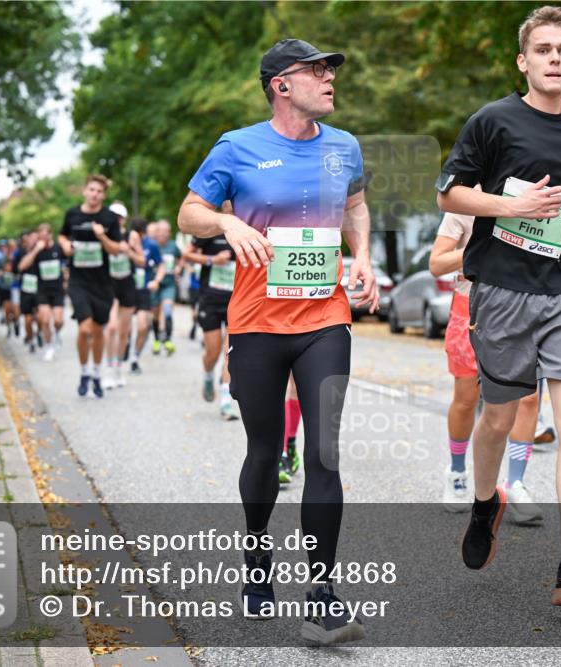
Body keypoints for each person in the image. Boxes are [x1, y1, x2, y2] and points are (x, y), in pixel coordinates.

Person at [178, 38, 376, 645]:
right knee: (265, 452)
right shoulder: (237, 147)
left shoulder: (345, 147)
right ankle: (257, 563)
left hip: (325, 318)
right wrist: (226, 220)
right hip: (258, 322)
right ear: (280, 84)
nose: (329, 78)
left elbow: (357, 204)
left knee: (324, 453)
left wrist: (362, 254)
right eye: (317, 70)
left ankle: (322, 591)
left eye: (330, 70)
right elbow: (189, 213)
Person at [437, 6, 561, 606]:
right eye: (543, 50)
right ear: (524, 60)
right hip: (504, 289)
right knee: (498, 416)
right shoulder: (493, 121)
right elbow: (450, 191)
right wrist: (509, 209)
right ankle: (486, 505)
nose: (555, 59)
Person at [430, 209, 543, 524]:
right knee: (467, 399)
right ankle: (456, 470)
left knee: (529, 397)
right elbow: (436, 263)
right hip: (471, 308)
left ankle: (515, 482)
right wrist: (479, 248)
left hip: (523, 305)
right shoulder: (464, 206)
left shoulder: (529, 197)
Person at [58, 174, 122, 398]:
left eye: (99, 191)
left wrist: (102, 236)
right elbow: (62, 236)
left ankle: (96, 373)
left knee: (97, 331)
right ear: (85, 191)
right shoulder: (72, 214)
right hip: (78, 281)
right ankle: (84, 371)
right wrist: (66, 246)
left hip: (102, 283)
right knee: (84, 329)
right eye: (91, 190)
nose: (95, 194)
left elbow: (116, 249)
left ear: (103, 195)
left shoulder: (109, 218)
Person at [184, 207, 239, 421]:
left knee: (230, 353)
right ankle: (208, 375)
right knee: (213, 351)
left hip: (236, 301)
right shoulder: (209, 230)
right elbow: (187, 254)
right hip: (210, 298)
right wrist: (211, 260)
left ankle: (225, 401)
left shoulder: (247, 229)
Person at [104, 202, 139, 387]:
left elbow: (142, 261)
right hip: (110, 285)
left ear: (123, 219)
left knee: (124, 330)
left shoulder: (131, 236)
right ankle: (109, 369)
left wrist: (130, 252)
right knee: (111, 327)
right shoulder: (104, 236)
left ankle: (118, 368)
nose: (116, 220)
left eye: (119, 217)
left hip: (126, 285)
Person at [21, 224, 66, 361]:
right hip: (42, 291)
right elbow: (22, 266)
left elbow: (68, 260)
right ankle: (48, 347)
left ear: (50, 235)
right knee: (45, 321)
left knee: (58, 320)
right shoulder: (37, 251)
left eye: (45, 236)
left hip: (57, 290)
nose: (43, 239)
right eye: (40, 237)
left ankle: (57, 333)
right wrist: (36, 251)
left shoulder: (58, 249)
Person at [129, 217, 165, 374]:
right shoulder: (124, 243)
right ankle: (123, 347)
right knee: (123, 327)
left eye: (140, 234)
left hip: (143, 291)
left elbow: (161, 265)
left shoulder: (151, 245)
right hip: (126, 290)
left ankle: (135, 358)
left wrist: (156, 280)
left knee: (143, 327)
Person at [152, 221, 182, 356]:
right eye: (160, 231)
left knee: (168, 310)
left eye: (165, 231)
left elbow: (181, 258)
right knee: (156, 314)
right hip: (154, 285)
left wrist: (178, 268)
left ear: (169, 233)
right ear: (156, 232)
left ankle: (168, 339)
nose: (163, 234)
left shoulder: (173, 246)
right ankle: (157, 339)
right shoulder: (151, 246)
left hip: (169, 284)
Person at [15, 230, 41, 353]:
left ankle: (40, 333)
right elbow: (18, 268)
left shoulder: (43, 251)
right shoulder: (20, 253)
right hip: (26, 289)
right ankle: (30, 339)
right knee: (28, 319)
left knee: (41, 317)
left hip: (40, 288)